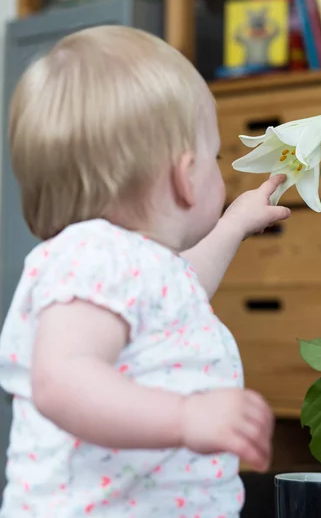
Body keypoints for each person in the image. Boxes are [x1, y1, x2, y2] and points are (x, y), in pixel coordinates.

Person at [0, 26, 290, 518]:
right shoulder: (91, 256)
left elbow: (184, 286)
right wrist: (185, 416)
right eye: (215, 157)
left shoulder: (140, 266)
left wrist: (234, 224)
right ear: (184, 175)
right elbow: (61, 379)